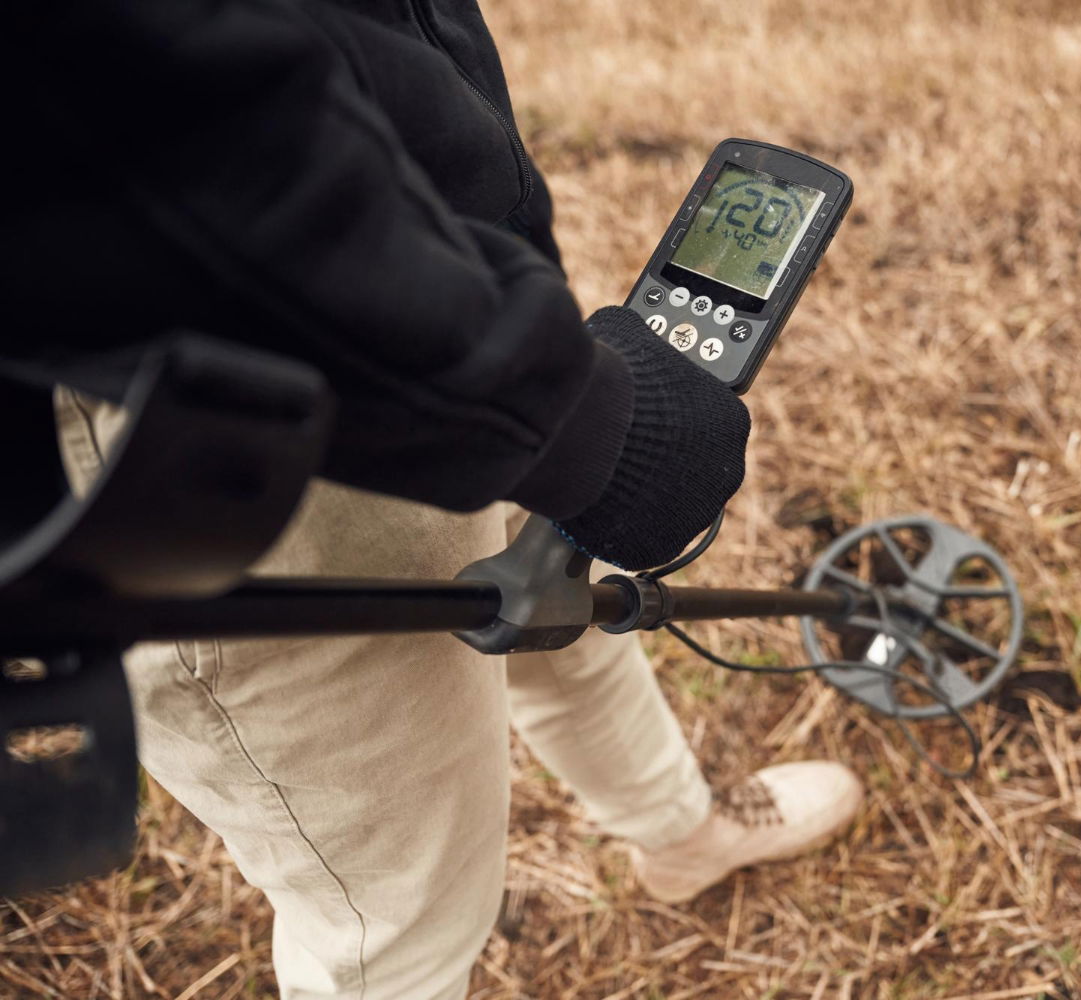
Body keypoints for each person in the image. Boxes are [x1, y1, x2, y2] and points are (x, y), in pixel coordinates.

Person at [4, 1, 864, 996]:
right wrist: (567, 417)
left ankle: (680, 834)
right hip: (205, 400)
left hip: (439, 300)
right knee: (395, 911)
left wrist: (507, 342)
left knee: (568, 617)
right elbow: (104, 116)